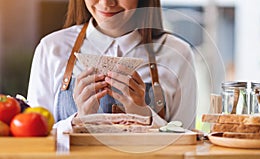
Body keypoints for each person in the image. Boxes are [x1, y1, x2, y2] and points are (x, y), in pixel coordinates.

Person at [27, 0, 197, 130]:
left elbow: (186, 141)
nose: (107, 3)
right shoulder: (51, 48)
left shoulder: (178, 54)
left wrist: (143, 115)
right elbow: (37, 137)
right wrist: (79, 120)